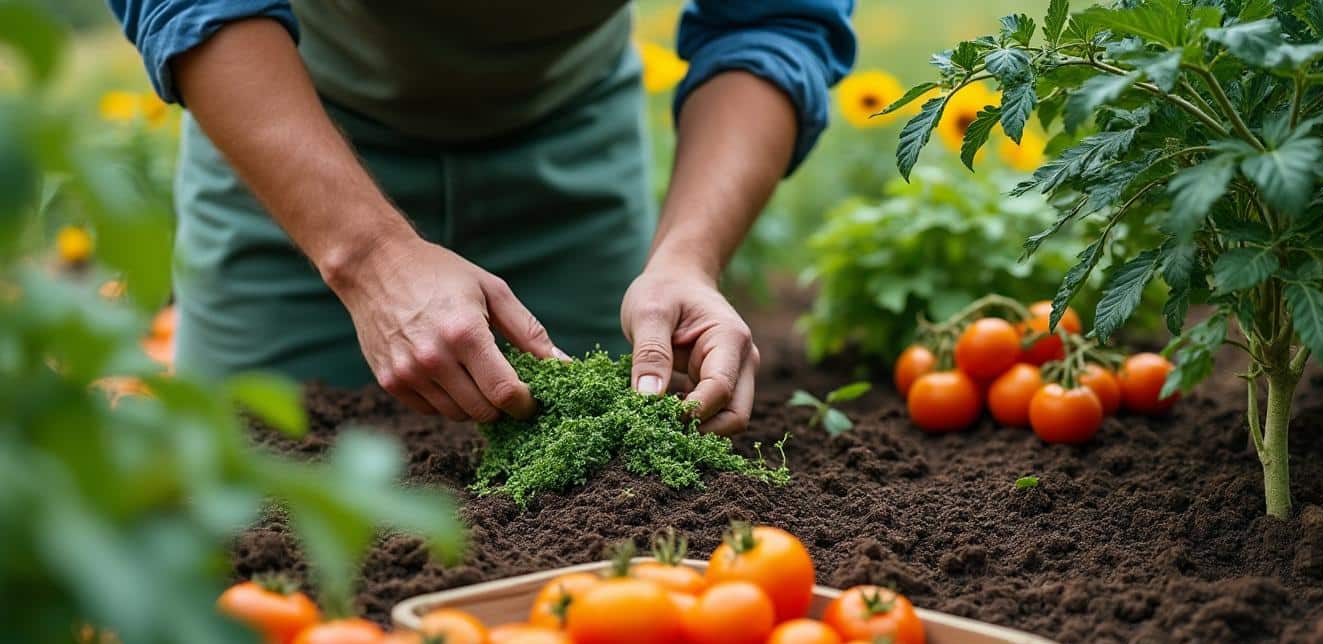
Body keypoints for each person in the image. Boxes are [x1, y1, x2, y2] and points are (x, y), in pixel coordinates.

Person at [109, 1, 855, 434]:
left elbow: (775, 18)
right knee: (250, 522)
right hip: (294, 131)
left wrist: (688, 257)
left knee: (606, 519)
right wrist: (366, 255)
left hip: (566, 135)